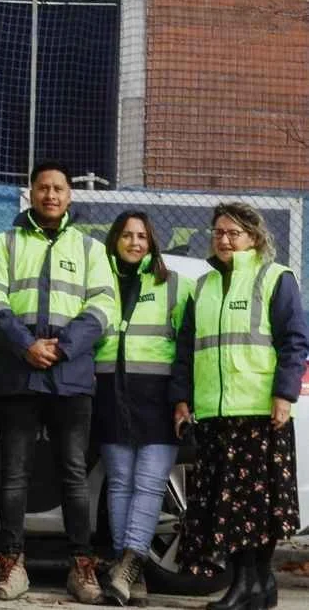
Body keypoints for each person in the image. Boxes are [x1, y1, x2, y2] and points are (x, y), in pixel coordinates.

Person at [0, 160, 116, 604]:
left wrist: (62, 347)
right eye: (42, 188)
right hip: (19, 375)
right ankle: (12, 565)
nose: (50, 195)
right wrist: (25, 346)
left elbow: (104, 306)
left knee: (73, 475)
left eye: (58, 189)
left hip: (70, 377)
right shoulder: (5, 243)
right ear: (31, 193)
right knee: (13, 475)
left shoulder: (92, 249)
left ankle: (82, 567)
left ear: (69, 196)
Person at [171, 202, 308, 610]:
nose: (224, 239)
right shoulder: (204, 286)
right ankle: (257, 587)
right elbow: (186, 350)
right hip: (216, 415)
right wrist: (182, 399)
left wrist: (284, 395)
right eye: (218, 232)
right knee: (225, 505)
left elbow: (294, 342)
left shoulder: (275, 279)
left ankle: (250, 585)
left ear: (254, 237)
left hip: (260, 413)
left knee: (256, 506)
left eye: (233, 233)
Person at [92, 211, 193, 606]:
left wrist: (183, 398)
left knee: (149, 484)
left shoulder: (175, 286)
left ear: (152, 243)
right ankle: (129, 576)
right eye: (127, 236)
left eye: (142, 237)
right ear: (115, 240)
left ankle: (128, 565)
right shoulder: (99, 282)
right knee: (119, 484)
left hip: (158, 397)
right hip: (110, 394)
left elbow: (186, 349)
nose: (135, 243)